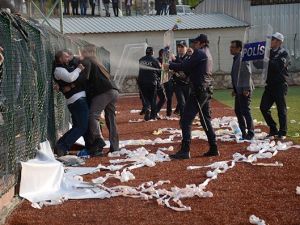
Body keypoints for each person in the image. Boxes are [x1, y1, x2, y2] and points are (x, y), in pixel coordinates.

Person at [163, 34, 219, 159]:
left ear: (202, 43)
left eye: (196, 42)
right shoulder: (207, 53)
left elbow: (185, 66)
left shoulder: (199, 53)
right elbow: (190, 70)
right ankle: (214, 147)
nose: (193, 44)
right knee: (205, 120)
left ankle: (185, 150)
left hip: (199, 91)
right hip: (206, 89)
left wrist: (170, 65)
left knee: (186, 120)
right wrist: (176, 71)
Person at [81, 45, 120, 154]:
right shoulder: (98, 62)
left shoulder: (87, 62)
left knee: (93, 116)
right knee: (111, 119)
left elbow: (84, 79)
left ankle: (99, 140)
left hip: (104, 92)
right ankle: (115, 146)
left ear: (85, 52)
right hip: (114, 91)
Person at [53, 51, 89, 157]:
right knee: (81, 127)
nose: (68, 58)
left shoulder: (68, 66)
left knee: (78, 126)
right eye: (65, 56)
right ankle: (62, 146)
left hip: (78, 99)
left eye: (69, 56)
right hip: (76, 100)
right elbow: (70, 78)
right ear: (60, 59)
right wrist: (79, 69)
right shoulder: (58, 69)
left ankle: (61, 146)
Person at [260, 32, 290, 140]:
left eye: (272, 39)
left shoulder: (284, 53)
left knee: (281, 109)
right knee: (263, 107)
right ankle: (273, 128)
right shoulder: (268, 52)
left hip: (280, 85)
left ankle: (283, 132)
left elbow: (278, 67)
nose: (270, 41)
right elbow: (260, 65)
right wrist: (256, 57)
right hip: (270, 85)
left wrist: (267, 60)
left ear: (279, 42)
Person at [230, 40, 254, 140]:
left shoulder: (242, 58)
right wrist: (235, 90)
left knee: (245, 111)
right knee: (238, 111)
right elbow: (236, 76)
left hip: (244, 89)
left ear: (239, 48)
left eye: (233, 47)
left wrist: (246, 89)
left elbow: (247, 74)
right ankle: (243, 131)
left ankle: (251, 132)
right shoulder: (236, 58)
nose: (231, 49)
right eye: (230, 47)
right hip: (239, 90)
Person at [138, 47, 161, 121]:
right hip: (152, 82)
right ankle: (152, 116)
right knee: (153, 99)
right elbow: (159, 71)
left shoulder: (141, 60)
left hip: (142, 82)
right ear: (152, 52)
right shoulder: (155, 60)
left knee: (145, 97)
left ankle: (147, 108)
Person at [172, 41, 190, 117]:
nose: (180, 49)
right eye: (179, 47)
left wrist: (174, 61)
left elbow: (183, 65)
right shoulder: (175, 58)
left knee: (188, 103)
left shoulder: (189, 57)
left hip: (187, 84)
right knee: (182, 103)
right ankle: (183, 120)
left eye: (182, 47)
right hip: (178, 84)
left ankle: (186, 118)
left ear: (186, 48)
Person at [157, 48, 173, 117]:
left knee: (169, 97)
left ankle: (168, 113)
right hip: (161, 80)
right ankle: (156, 112)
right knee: (164, 98)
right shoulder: (157, 60)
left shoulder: (168, 60)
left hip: (167, 80)